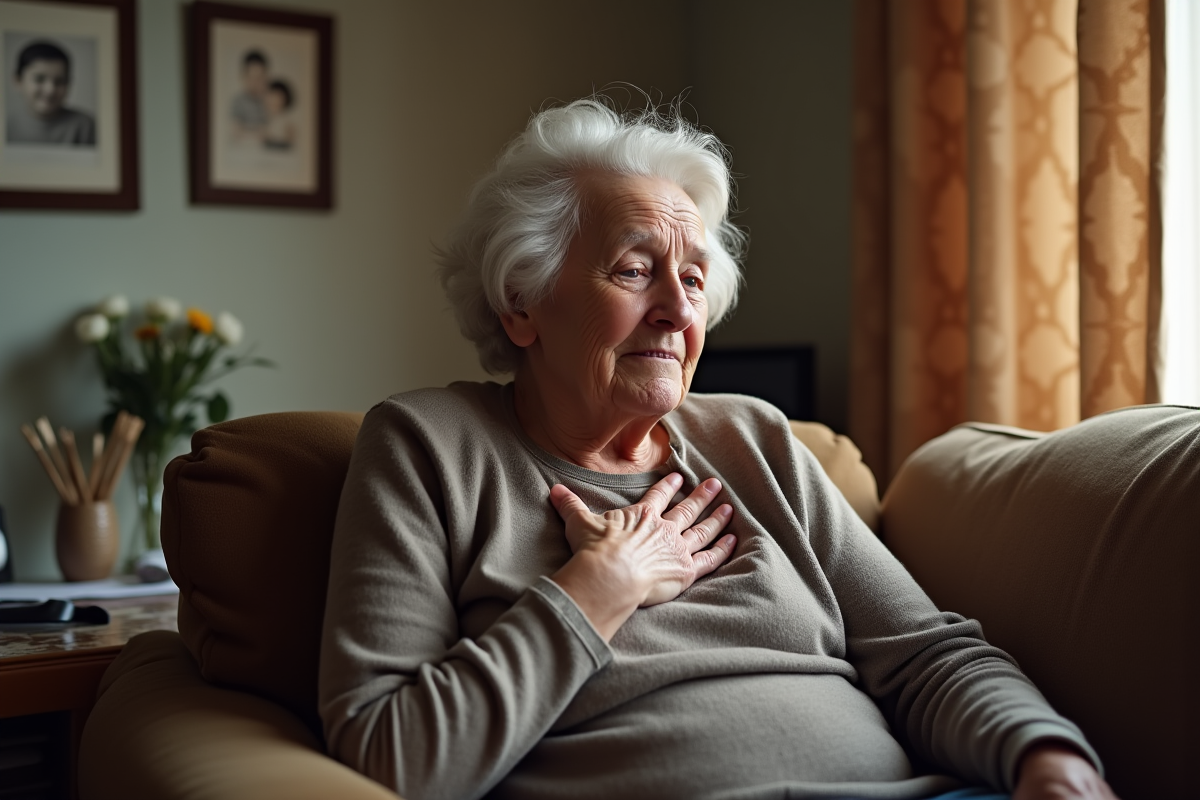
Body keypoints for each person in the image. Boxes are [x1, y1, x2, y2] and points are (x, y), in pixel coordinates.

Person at [318, 97, 1118, 800]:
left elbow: (925, 659)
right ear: (521, 305)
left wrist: (1044, 756)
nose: (676, 310)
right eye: (635, 271)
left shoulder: (752, 439)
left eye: (694, 280)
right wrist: (600, 589)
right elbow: (391, 755)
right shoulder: (429, 449)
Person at [6, 40, 95, 146]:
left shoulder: (86, 126)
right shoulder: (6, 126)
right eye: (39, 79)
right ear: (18, 81)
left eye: (60, 81)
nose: (50, 90)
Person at [230, 49, 269, 143]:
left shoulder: (266, 101)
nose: (255, 82)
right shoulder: (238, 101)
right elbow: (236, 132)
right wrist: (258, 134)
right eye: (251, 77)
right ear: (243, 76)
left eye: (259, 77)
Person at [261, 78, 295, 151]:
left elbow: (290, 140)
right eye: (271, 96)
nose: (274, 101)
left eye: (278, 98)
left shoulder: (286, 120)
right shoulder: (267, 118)